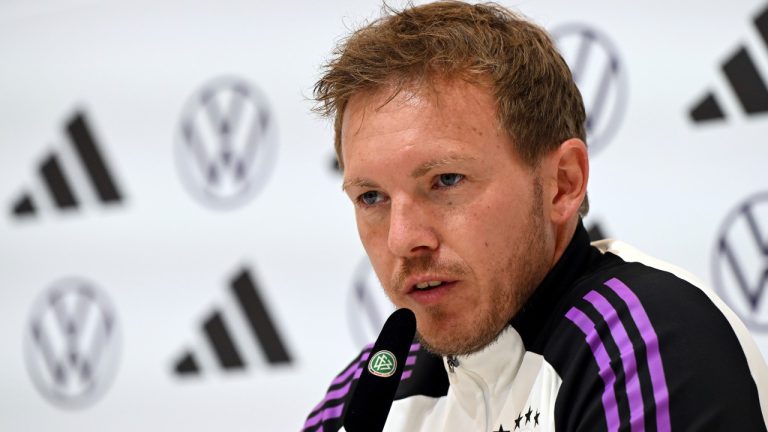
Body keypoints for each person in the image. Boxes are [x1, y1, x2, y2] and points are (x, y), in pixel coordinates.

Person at [302, 1, 768, 430]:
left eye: (446, 181)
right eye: (371, 198)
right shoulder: (361, 396)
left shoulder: (643, 340)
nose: (403, 240)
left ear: (563, 183)